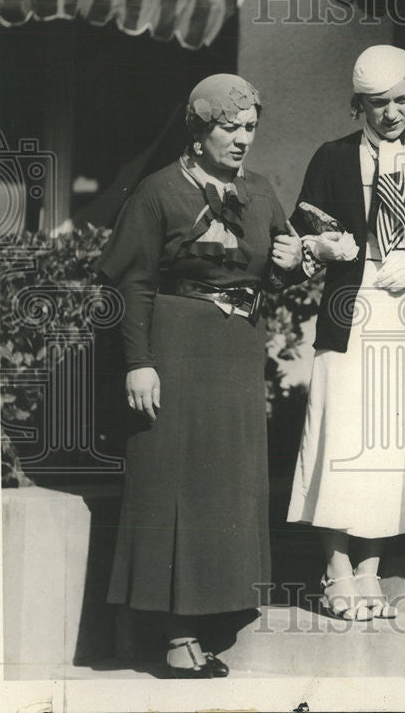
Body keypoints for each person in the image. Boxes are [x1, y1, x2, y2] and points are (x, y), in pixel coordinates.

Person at [98, 74, 304, 678]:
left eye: (250, 129)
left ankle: (212, 621)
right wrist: (139, 362)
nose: (242, 140)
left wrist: (295, 262)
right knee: (175, 488)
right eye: (229, 128)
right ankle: (175, 635)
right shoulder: (160, 191)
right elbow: (129, 284)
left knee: (227, 489)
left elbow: (277, 267)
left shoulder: (260, 191)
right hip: (176, 352)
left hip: (237, 357)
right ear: (199, 129)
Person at [286, 45, 405, 622]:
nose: (391, 114)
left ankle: (370, 569)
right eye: (376, 104)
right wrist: (324, 246)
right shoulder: (333, 158)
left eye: (401, 101)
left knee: (390, 447)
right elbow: (300, 240)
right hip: (352, 313)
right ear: (357, 105)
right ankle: (335, 569)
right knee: (342, 438)